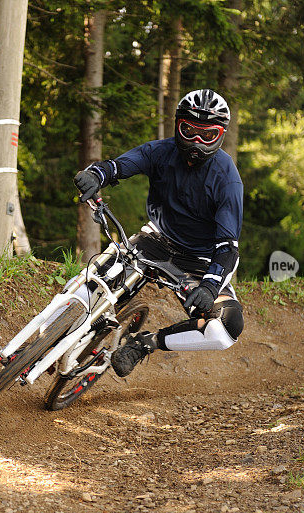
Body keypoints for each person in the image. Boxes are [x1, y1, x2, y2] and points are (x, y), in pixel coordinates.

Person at [73, 88, 244, 378]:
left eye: (208, 135)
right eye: (189, 130)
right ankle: (59, 332)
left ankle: (145, 344)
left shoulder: (228, 178)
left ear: (221, 134)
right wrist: (96, 174)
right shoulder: (160, 151)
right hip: (155, 240)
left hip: (200, 262)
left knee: (225, 328)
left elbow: (228, 247)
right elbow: (119, 166)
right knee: (91, 284)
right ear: (177, 125)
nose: (196, 142)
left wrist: (209, 287)